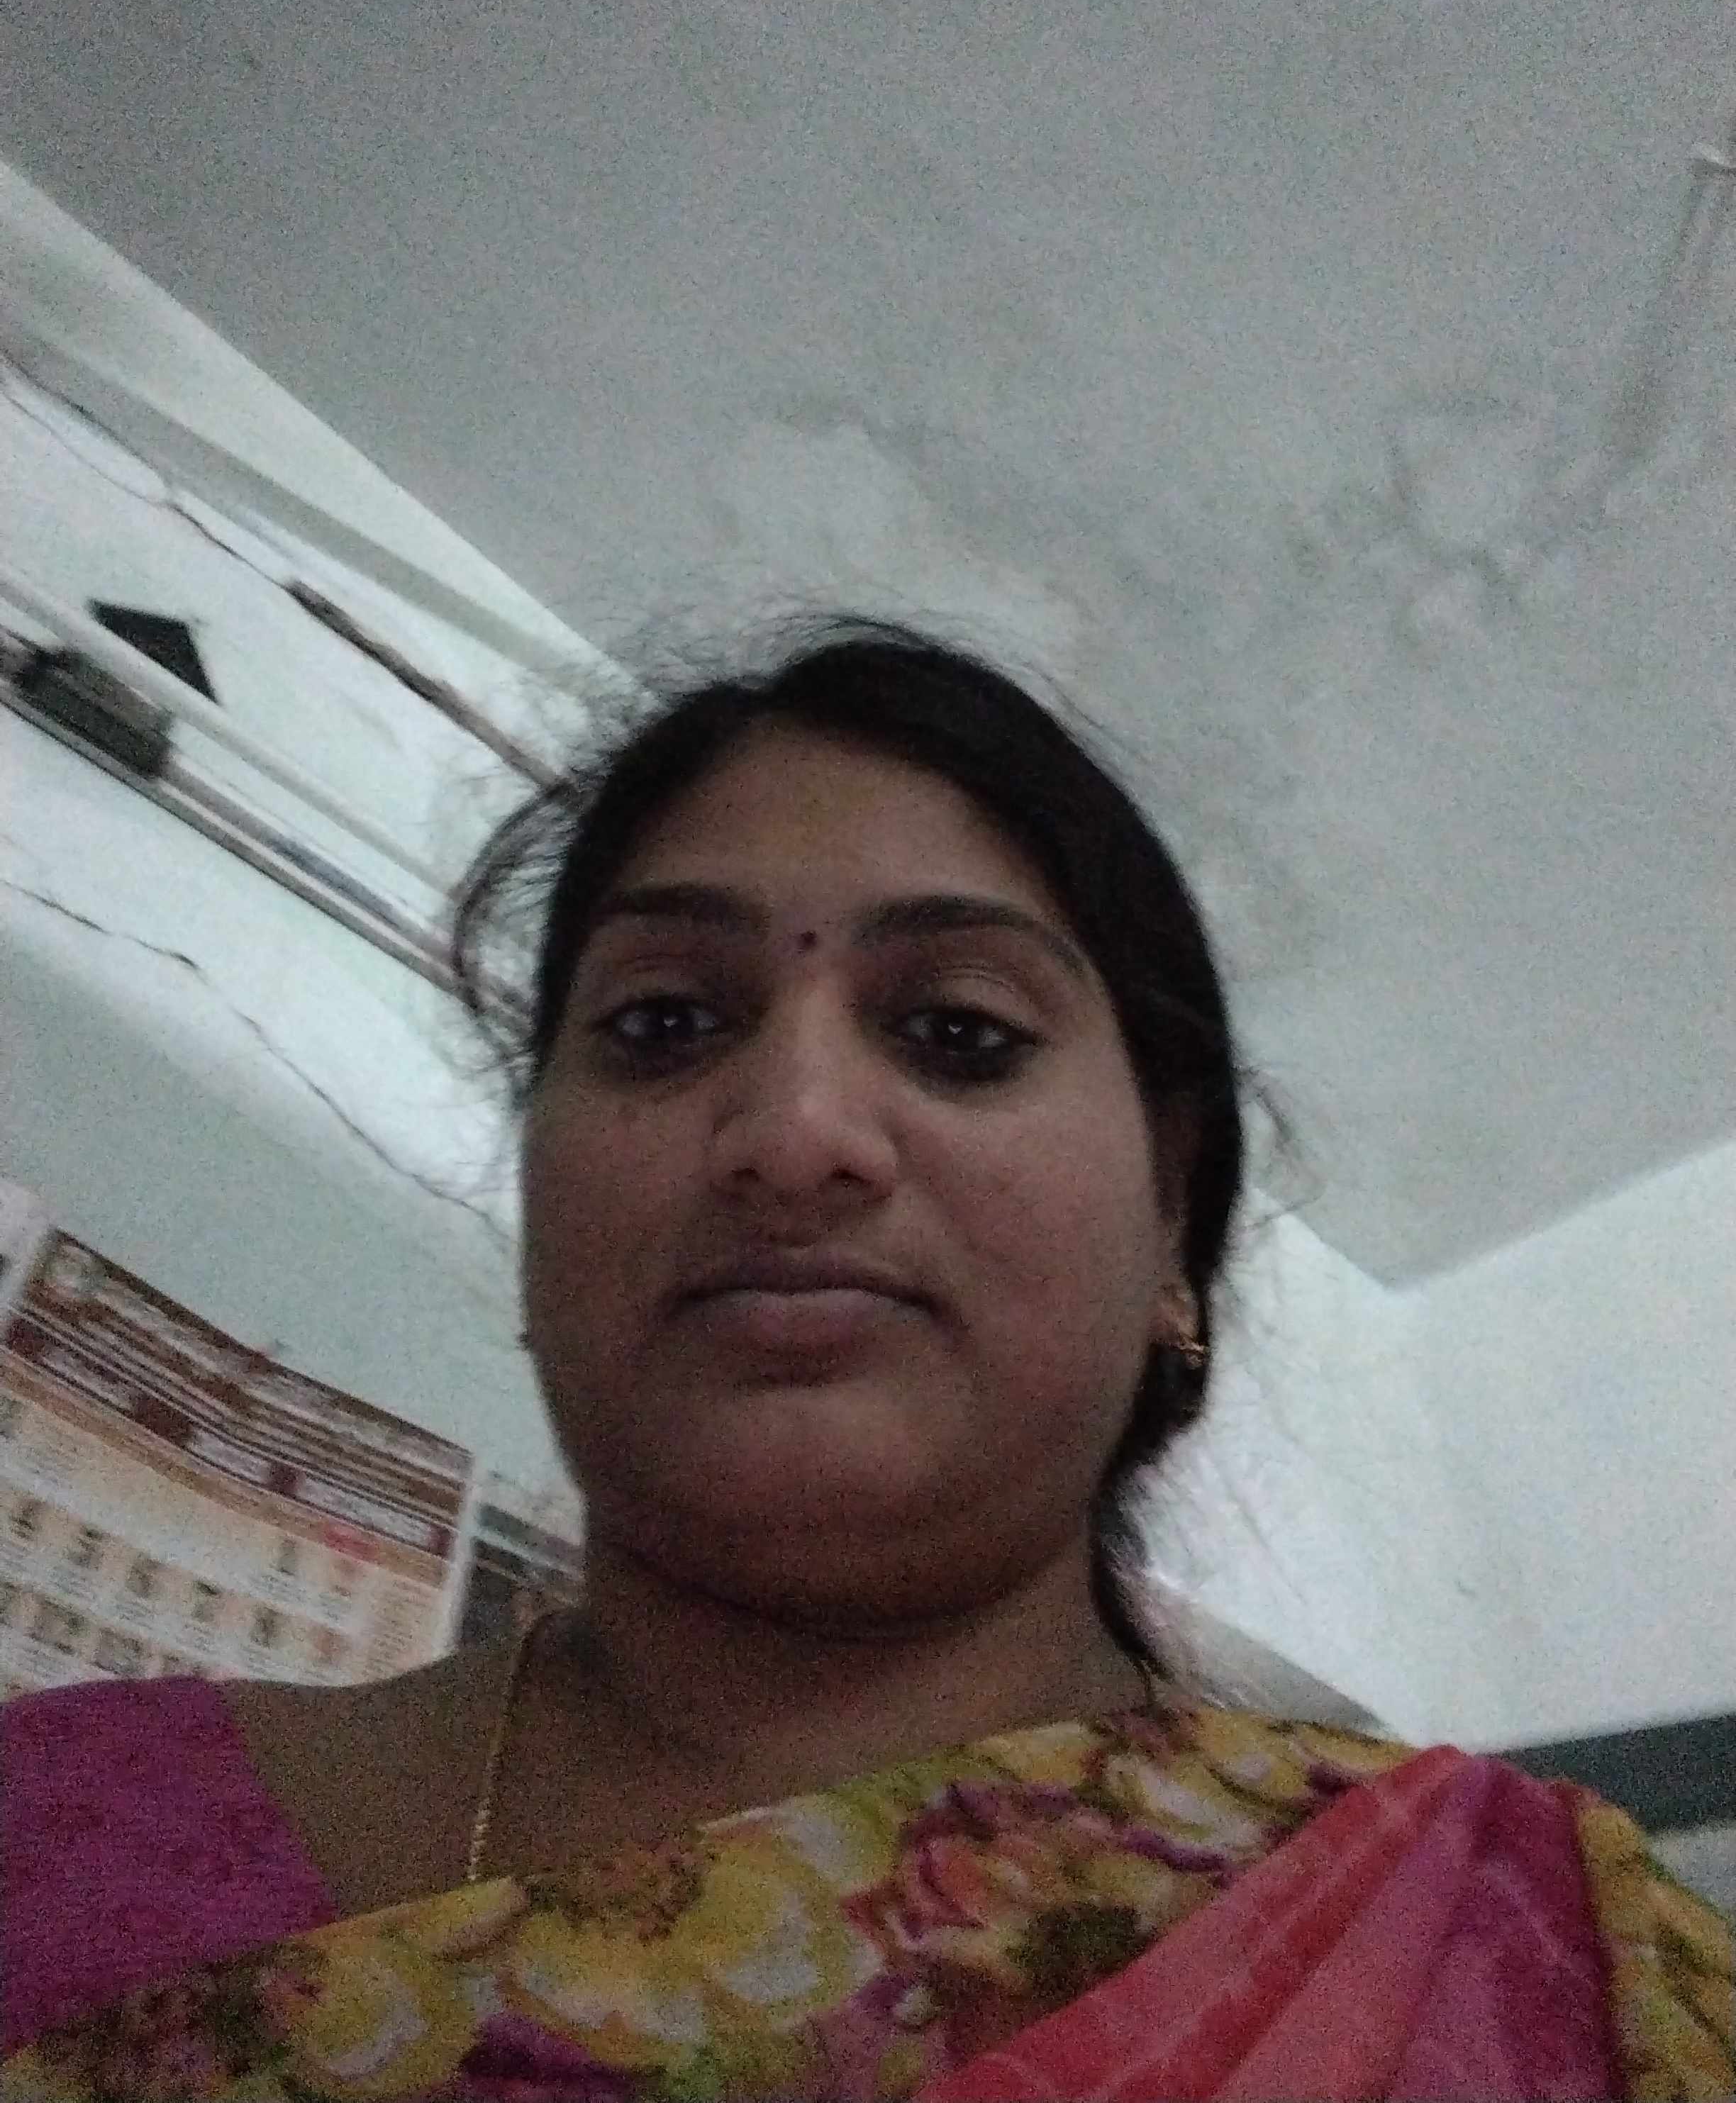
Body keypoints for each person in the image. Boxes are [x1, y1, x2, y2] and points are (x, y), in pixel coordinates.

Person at [2, 620, 1728, 2100]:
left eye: (960, 1034)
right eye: (664, 1023)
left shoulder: (1559, 1965)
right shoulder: (60, 1837)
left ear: (1172, 1218)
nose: (796, 1134)